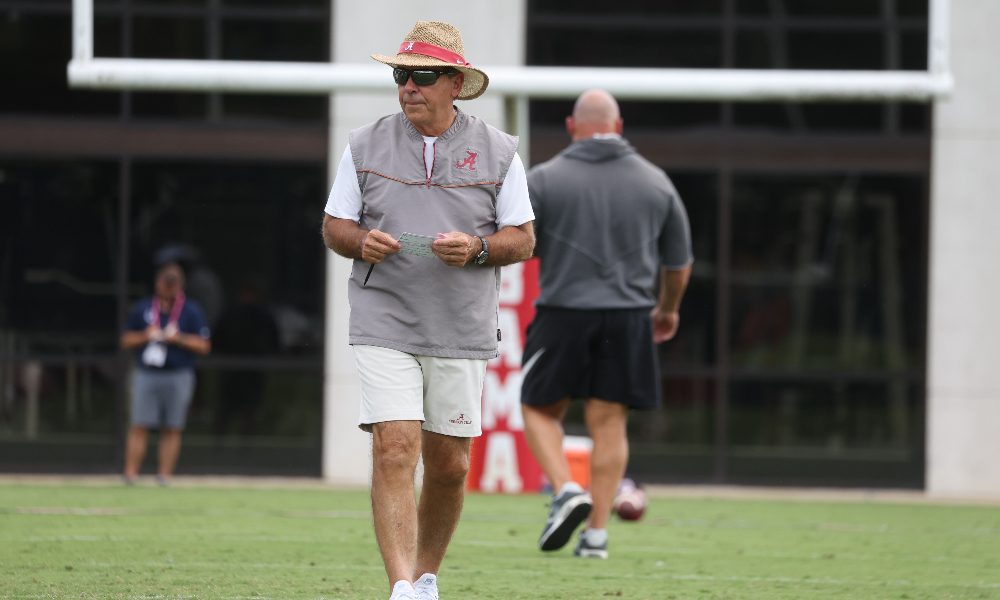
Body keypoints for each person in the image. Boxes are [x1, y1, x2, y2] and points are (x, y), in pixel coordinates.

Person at [321, 21, 535, 600]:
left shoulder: (500, 149)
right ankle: (400, 587)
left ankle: (424, 577)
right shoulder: (363, 143)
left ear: (454, 83)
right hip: (382, 315)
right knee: (394, 446)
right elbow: (334, 225)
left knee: (449, 466)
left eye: (421, 75)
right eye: (400, 75)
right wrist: (357, 241)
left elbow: (523, 237)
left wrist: (481, 249)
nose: (408, 87)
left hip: (461, 325)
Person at [520, 89, 693, 559]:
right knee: (609, 423)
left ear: (571, 126)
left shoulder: (544, 178)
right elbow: (678, 264)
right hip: (630, 315)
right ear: (618, 128)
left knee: (538, 409)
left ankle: (565, 490)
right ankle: (595, 535)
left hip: (563, 313)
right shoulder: (657, 183)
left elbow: (517, 243)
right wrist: (668, 309)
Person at [120, 261, 211, 485]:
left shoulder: (191, 311)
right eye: (165, 283)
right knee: (139, 424)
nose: (169, 288)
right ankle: (131, 474)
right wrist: (146, 335)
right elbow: (125, 339)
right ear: (158, 283)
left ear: (180, 285)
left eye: (173, 284)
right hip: (147, 373)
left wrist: (179, 338)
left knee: (172, 426)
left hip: (178, 374)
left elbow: (204, 345)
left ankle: (164, 475)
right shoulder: (143, 308)